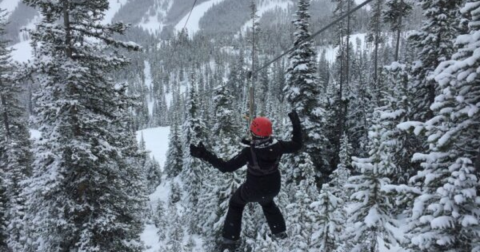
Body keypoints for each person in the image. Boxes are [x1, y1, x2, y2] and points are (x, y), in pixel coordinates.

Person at [190, 110, 302, 251]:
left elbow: (226, 167)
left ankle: (229, 241)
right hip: (273, 187)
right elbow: (297, 144)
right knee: (267, 203)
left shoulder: (249, 152)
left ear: (255, 134)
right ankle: (280, 233)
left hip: (253, 190)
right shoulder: (278, 146)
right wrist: (296, 122)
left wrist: (203, 154)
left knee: (236, 204)